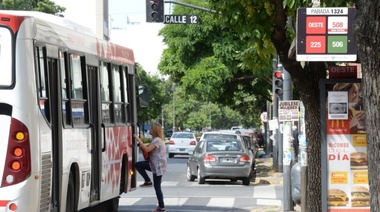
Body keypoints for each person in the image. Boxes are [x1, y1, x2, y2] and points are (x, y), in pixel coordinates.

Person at [134, 123, 167, 212]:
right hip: (156, 164)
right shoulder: (158, 140)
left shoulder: (157, 140)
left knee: (138, 165)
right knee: (157, 186)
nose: (150, 130)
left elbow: (147, 149)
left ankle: (161, 206)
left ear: (155, 130)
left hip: (157, 165)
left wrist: (138, 139)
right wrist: (142, 143)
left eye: (151, 128)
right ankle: (161, 206)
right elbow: (149, 146)